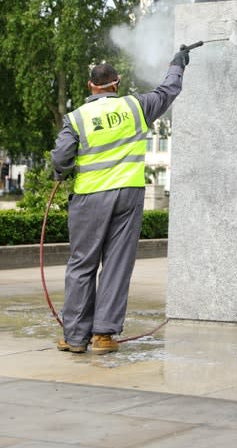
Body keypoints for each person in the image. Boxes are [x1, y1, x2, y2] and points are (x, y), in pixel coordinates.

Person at [51, 49, 190, 354]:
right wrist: (176, 64)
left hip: (89, 198)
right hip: (128, 195)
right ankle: (103, 336)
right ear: (116, 83)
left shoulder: (76, 118)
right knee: (116, 264)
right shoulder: (135, 106)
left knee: (81, 265)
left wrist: (62, 171)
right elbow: (167, 91)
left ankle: (74, 338)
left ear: (91, 86)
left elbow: (61, 157)